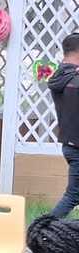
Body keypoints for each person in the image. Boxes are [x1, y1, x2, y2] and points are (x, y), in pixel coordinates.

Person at [47, 32, 79, 218]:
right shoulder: (74, 81)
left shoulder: (60, 76)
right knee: (73, 195)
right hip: (77, 146)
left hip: (70, 144)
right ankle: (41, 229)